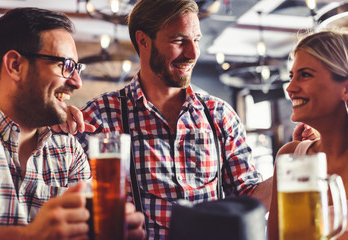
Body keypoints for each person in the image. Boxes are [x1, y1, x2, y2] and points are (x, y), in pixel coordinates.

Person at [69, 0, 272, 238]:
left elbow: (248, 197)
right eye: (179, 41)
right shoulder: (100, 117)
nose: (193, 53)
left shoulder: (220, 115)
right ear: (144, 40)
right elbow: (72, 206)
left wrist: (300, 155)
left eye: (196, 40)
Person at [0, 7, 145, 240]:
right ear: (15, 66)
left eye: (77, 68)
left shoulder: (69, 150)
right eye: (67, 66)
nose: (77, 82)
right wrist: (30, 236)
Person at [268, 29, 348, 240]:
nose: (290, 88)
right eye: (291, 76)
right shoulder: (290, 156)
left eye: (305, 75)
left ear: (346, 89)